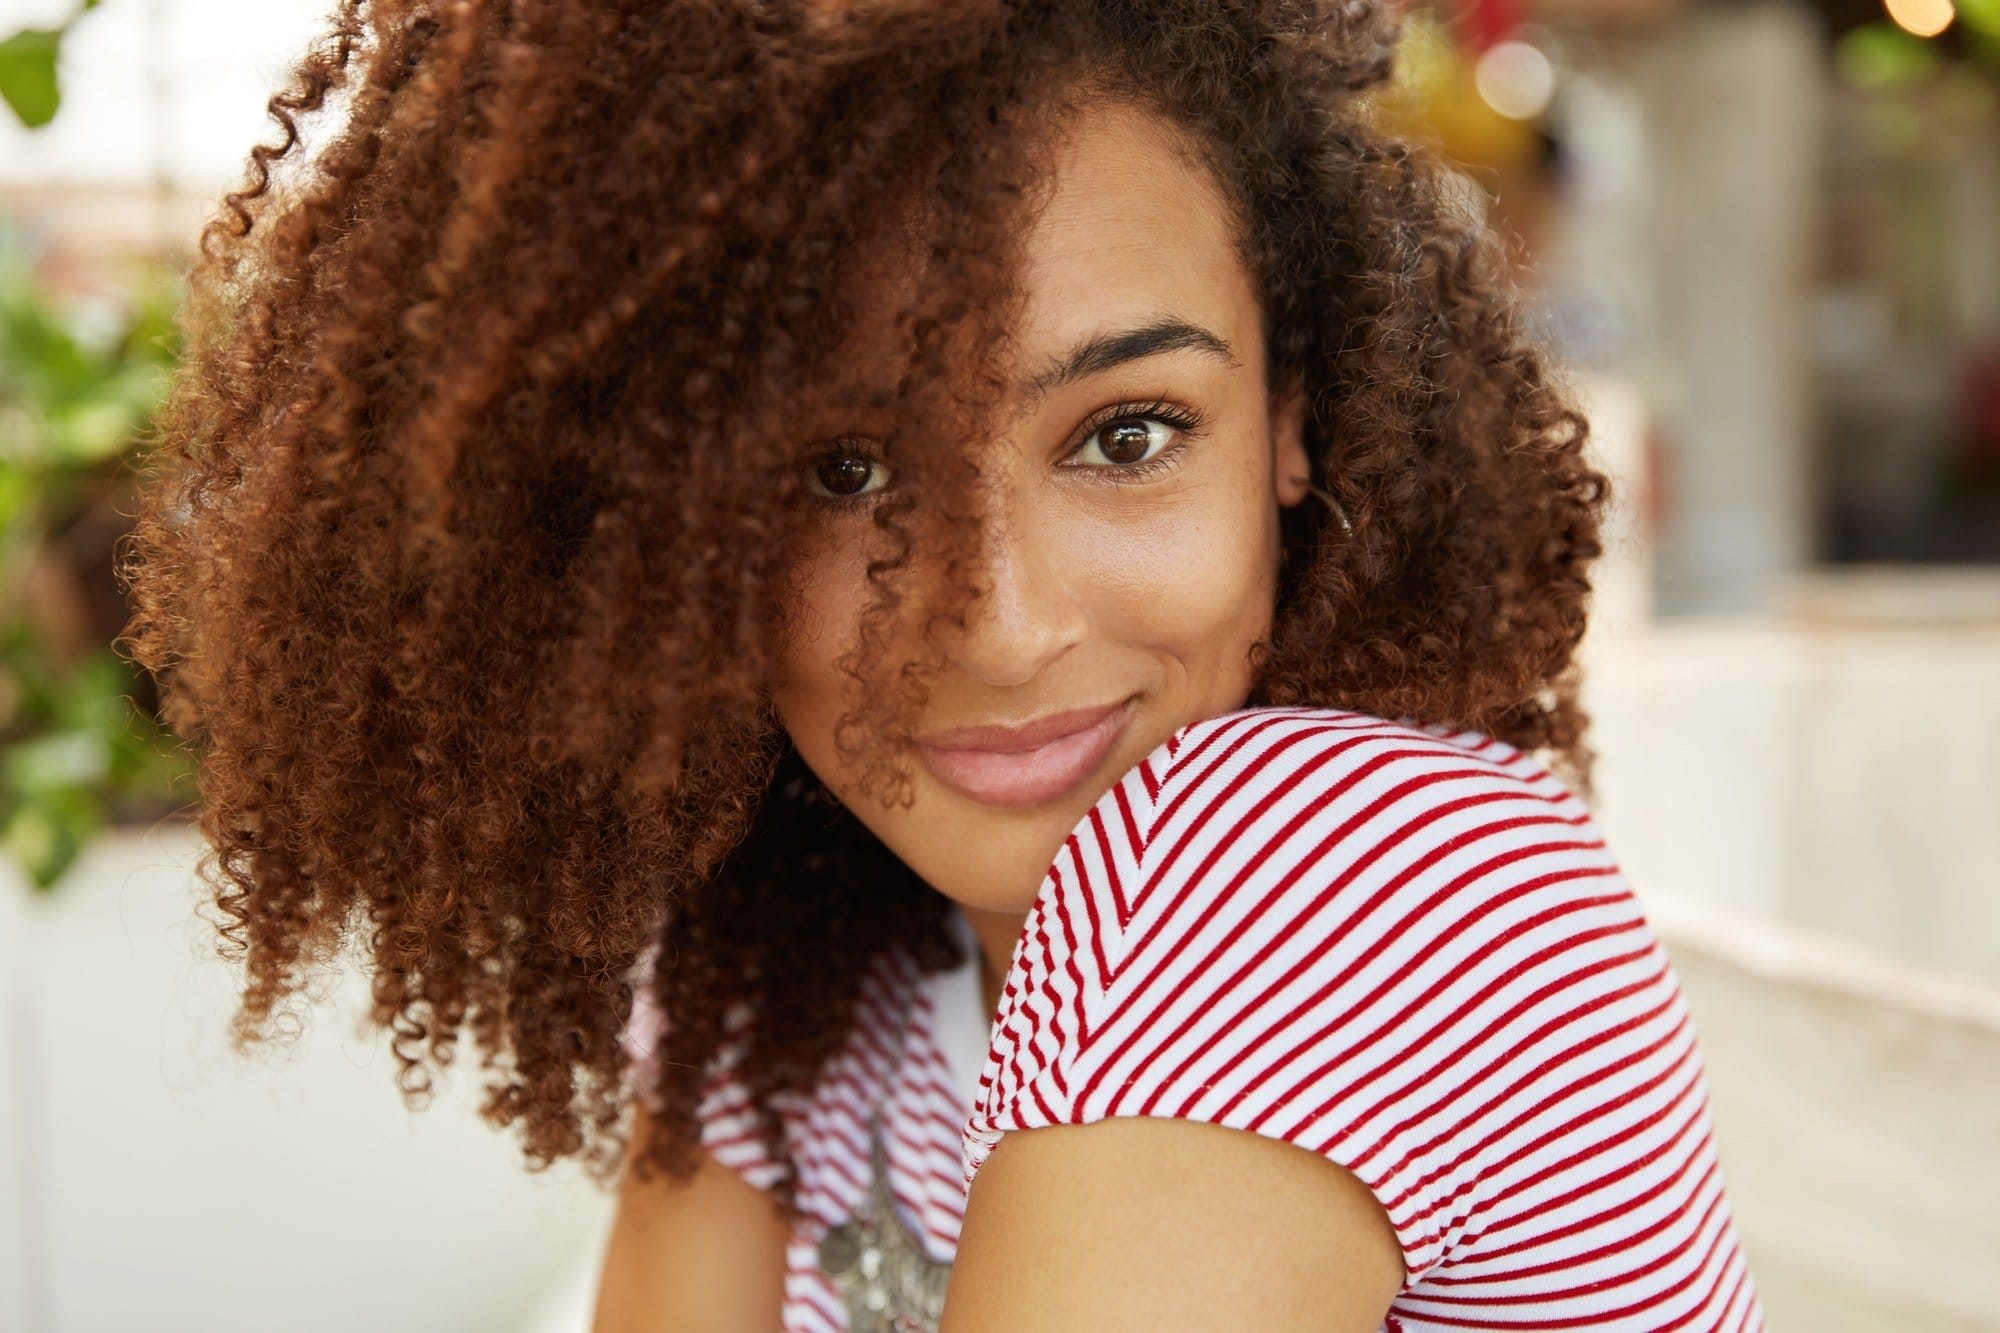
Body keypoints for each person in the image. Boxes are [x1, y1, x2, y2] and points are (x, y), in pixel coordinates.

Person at [120, 1, 1765, 1329]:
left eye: (1127, 434)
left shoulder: (1322, 872)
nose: (989, 621)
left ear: (1292, 427)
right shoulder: (785, 966)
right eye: (841, 475)